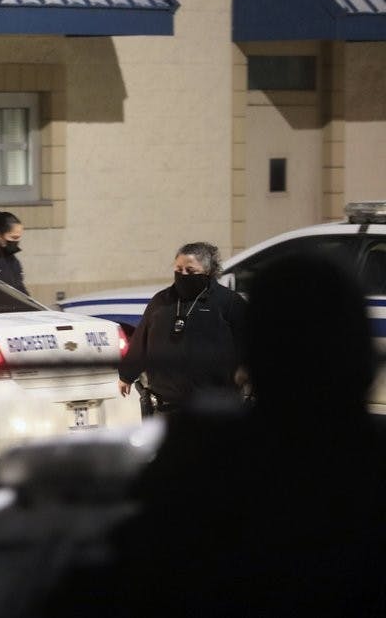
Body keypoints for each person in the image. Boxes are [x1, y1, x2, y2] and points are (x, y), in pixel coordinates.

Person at [110, 251, 386, 615]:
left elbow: (138, 560)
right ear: (362, 355)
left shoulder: (206, 454)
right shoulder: (371, 462)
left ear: (254, 354)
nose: (181, 276)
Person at [117, 241, 247, 415]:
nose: (183, 274)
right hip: (167, 405)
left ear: (207, 272)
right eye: (178, 270)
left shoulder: (228, 302)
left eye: (190, 270)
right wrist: (126, 375)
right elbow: (142, 339)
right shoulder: (161, 301)